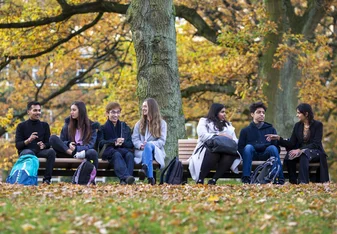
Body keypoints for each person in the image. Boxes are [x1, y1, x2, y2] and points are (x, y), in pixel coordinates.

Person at [265, 103, 329, 184]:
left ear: (306, 114)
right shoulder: (297, 126)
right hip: (301, 153)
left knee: (304, 153)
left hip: (315, 152)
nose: (297, 115)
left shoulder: (318, 125)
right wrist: (279, 138)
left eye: (299, 113)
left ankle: (303, 182)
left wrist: (300, 150)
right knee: (290, 155)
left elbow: (315, 143)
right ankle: (293, 182)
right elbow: (292, 143)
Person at [188, 103, 241, 185]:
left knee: (231, 155)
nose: (224, 114)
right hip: (207, 149)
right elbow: (203, 135)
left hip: (225, 151)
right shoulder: (204, 121)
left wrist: (231, 140)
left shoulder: (228, 125)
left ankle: (213, 180)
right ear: (215, 112)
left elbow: (234, 140)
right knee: (214, 152)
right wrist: (218, 135)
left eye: (225, 112)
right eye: (222, 112)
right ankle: (200, 179)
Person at [238, 102, 284, 184]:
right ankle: (246, 179)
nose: (262, 114)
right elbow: (241, 148)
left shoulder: (271, 129)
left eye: (263, 113)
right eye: (259, 112)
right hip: (252, 156)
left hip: (267, 156)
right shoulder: (245, 131)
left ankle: (280, 179)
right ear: (252, 114)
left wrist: (272, 141)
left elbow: (276, 148)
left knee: (272, 148)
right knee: (248, 147)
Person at [49, 101, 99, 171]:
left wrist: (76, 149)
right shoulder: (68, 124)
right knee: (53, 138)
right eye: (71, 110)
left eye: (74, 110)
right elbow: (62, 141)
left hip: (83, 153)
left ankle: (92, 179)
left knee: (92, 152)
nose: (71, 112)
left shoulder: (92, 126)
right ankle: (73, 153)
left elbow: (91, 145)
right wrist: (68, 144)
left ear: (81, 111)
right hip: (68, 153)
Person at [15, 101, 56, 184]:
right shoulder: (21, 126)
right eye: (35, 110)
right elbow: (18, 145)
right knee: (29, 153)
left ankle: (47, 180)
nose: (38, 113)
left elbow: (48, 144)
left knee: (51, 152)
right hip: (27, 151)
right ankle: (29, 180)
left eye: (39, 110)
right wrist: (28, 140)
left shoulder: (45, 125)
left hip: (40, 151)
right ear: (28, 112)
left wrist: (43, 145)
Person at [97, 102, 135, 185]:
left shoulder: (124, 127)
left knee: (129, 155)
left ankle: (124, 180)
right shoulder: (102, 128)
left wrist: (123, 142)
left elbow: (130, 144)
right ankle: (126, 177)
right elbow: (100, 143)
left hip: (123, 150)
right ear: (107, 113)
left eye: (118, 112)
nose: (116, 115)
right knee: (116, 154)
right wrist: (114, 141)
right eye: (113, 112)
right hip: (109, 151)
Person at [132, 98, 167, 185]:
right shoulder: (139, 124)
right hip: (141, 151)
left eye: (145, 106)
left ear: (151, 108)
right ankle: (150, 179)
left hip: (156, 152)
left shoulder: (162, 124)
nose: (143, 108)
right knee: (148, 154)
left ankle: (145, 169)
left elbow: (162, 141)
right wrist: (141, 145)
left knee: (149, 147)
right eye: (142, 107)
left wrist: (150, 144)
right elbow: (134, 139)